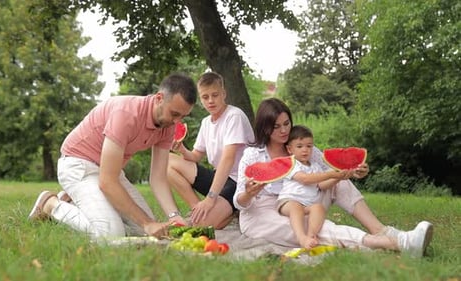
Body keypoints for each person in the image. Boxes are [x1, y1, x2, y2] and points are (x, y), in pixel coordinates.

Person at [233, 98, 434, 257]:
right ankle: (398, 243)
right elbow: (239, 201)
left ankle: (381, 230)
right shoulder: (253, 155)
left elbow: (334, 171)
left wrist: (355, 170)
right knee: (312, 228)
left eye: (286, 123)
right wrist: (249, 194)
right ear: (264, 126)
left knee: (341, 182)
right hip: (262, 212)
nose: (284, 130)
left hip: (305, 201)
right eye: (276, 126)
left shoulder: (301, 148)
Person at [28, 73, 197, 239]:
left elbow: (158, 178)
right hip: (78, 165)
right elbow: (107, 182)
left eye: (182, 116)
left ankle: (76, 201)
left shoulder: (168, 125)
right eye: (174, 114)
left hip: (109, 170)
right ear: (159, 98)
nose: (177, 121)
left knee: (143, 233)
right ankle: (51, 205)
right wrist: (147, 223)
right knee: (110, 233)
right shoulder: (126, 114)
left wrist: (173, 215)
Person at [167, 72, 254, 229]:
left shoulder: (234, 116)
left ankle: (221, 212)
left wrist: (211, 198)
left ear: (224, 94)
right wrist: (181, 149)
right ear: (201, 99)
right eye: (205, 97)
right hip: (218, 178)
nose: (211, 101)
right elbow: (196, 156)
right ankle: (197, 208)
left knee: (200, 226)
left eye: (215, 95)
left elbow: (228, 159)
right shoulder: (206, 122)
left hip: (238, 181)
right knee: (167, 161)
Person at [278, 125, 350, 249]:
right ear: (290, 149)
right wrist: (330, 173)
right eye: (299, 146)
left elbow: (322, 185)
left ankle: (311, 237)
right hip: (288, 201)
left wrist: (337, 177)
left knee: (319, 208)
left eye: (309, 146)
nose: (305, 150)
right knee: (296, 207)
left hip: (308, 204)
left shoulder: (315, 166)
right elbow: (305, 179)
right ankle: (301, 237)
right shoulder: (291, 163)